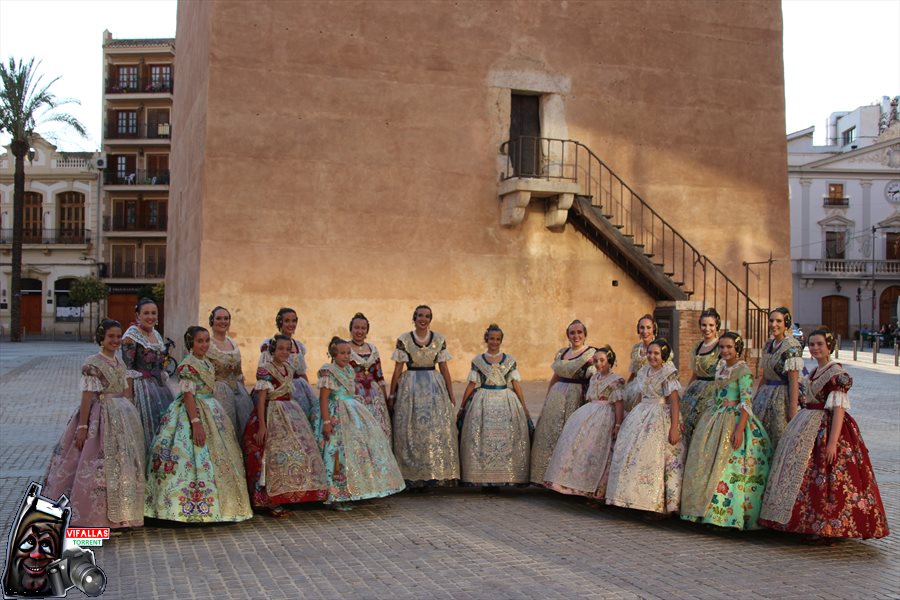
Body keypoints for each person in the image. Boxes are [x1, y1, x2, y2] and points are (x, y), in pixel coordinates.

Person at [759, 329, 889, 541]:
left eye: (820, 344)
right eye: (812, 344)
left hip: (826, 428)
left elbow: (838, 409)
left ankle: (827, 527)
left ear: (829, 346)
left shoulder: (836, 374)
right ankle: (804, 522)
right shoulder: (813, 372)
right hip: (807, 423)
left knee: (828, 478)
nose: (815, 348)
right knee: (805, 476)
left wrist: (832, 442)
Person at [43, 319, 145, 529]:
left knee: (120, 465)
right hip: (99, 417)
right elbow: (87, 396)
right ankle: (92, 518)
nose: (115, 341)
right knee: (92, 464)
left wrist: (130, 414)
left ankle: (122, 514)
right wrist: (82, 427)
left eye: (118, 337)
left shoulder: (120, 362)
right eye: (111, 337)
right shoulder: (93, 364)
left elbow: (125, 390)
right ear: (102, 338)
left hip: (121, 416)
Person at [145, 326, 252, 523]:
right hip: (193, 411)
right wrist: (195, 423)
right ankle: (179, 507)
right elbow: (188, 395)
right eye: (199, 341)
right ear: (190, 343)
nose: (204, 345)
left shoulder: (207, 363)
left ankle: (223, 506)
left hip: (212, 409)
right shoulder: (188, 365)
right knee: (190, 455)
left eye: (206, 341)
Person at [680, 332, 772, 529]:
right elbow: (716, 394)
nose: (725, 351)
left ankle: (726, 516)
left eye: (729, 347)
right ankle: (704, 512)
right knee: (705, 462)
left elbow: (746, 402)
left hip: (734, 419)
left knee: (729, 466)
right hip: (715, 415)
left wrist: (739, 430)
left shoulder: (743, 371)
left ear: (737, 348)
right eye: (722, 347)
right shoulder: (720, 367)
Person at [314, 337, 405, 510]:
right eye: (342, 353)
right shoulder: (328, 372)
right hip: (335, 414)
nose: (346, 356)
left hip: (352, 411)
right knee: (336, 452)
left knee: (356, 451)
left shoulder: (349, 370)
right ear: (333, 354)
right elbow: (324, 398)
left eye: (348, 353)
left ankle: (355, 489)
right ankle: (336, 494)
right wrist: (326, 422)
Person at [244, 335, 328, 517]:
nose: (284, 352)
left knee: (300, 451)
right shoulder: (265, 370)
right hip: (272, 412)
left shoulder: (289, 368)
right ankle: (271, 500)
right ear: (273, 350)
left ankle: (294, 494)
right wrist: (261, 425)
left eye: (288, 349)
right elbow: (261, 399)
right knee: (274, 454)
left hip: (291, 412)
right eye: (280, 348)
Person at [606, 338, 684, 516]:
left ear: (663, 356)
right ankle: (631, 498)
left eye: (656, 353)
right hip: (642, 413)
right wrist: (634, 417)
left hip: (660, 415)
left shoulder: (668, 373)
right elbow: (641, 396)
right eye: (650, 352)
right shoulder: (643, 371)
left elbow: (674, 402)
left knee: (654, 458)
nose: (652, 356)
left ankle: (655, 504)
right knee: (631, 454)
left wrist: (674, 427)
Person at [388, 305, 459, 488]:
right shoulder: (404, 339)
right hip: (410, 388)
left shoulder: (439, 339)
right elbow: (397, 368)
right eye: (420, 315)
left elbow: (444, 368)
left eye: (427, 316)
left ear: (430, 319)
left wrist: (451, 393)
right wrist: (392, 393)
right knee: (409, 431)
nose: (423, 319)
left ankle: (432, 474)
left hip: (434, 387)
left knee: (433, 431)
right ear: (414, 317)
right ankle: (411, 476)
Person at [543, 345, 625, 500]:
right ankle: (575, 486)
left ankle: (598, 491)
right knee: (581, 448)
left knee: (603, 452)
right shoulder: (594, 377)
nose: (599, 364)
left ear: (610, 361)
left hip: (607, 416)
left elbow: (619, 403)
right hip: (589, 414)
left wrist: (618, 424)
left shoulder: (616, 380)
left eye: (602, 360)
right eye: (596, 361)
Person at [457, 324, 531, 488]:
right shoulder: (478, 360)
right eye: (491, 339)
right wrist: (462, 407)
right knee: (483, 438)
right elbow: (471, 384)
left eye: (498, 339)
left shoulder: (509, 360)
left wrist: (524, 407)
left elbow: (515, 384)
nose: (494, 342)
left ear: (501, 340)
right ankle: (485, 478)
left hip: (506, 400)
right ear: (486, 339)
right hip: (483, 400)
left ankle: (502, 477)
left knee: (505, 438)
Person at [529, 320, 596, 484]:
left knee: (571, 436)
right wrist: (547, 398)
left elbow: (595, 378)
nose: (576, 336)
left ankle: (567, 480)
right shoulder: (562, 353)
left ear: (585, 335)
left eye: (579, 332)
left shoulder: (591, 354)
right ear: (568, 335)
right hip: (557, 397)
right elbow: (556, 376)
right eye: (572, 333)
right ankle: (545, 476)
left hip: (578, 396)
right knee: (550, 434)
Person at [121, 298, 175, 449]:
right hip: (141, 389)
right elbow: (127, 370)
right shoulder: (131, 336)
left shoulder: (156, 334)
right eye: (146, 313)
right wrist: (128, 400)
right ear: (138, 315)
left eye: (153, 313)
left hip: (159, 387)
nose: (150, 316)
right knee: (145, 428)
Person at [751, 307, 803, 448]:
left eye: (778, 321)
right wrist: (755, 398)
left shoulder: (791, 345)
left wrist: (792, 411)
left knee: (779, 437)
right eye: (771, 320)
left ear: (786, 323)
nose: (774, 324)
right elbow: (765, 375)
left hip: (782, 398)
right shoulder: (768, 345)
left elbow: (794, 381)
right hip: (765, 396)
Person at [258, 307, 317, 419]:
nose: (291, 324)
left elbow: (302, 372)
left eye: (294, 321)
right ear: (280, 322)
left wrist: (308, 390)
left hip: (300, 389)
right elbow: (265, 370)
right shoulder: (270, 344)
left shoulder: (298, 345)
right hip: (278, 391)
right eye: (287, 321)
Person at [207, 306, 254, 438]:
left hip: (238, 392)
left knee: (242, 427)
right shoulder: (208, 344)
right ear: (212, 321)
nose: (223, 322)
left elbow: (239, 373)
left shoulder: (233, 343)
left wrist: (244, 393)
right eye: (219, 318)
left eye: (226, 318)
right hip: (217, 393)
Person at [348, 312, 392, 440]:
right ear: (351, 329)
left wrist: (385, 400)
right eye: (356, 327)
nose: (359, 331)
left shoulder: (373, 348)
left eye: (363, 328)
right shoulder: (344, 347)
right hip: (354, 394)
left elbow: (379, 376)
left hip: (374, 395)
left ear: (367, 331)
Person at [680, 308, 721, 444]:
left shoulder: (721, 346)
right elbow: (695, 373)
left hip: (713, 392)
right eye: (704, 325)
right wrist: (687, 390)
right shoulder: (698, 346)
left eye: (711, 325)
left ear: (717, 326)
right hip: (695, 390)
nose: (707, 328)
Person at [623, 314, 665, 412]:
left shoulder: (661, 347)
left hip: (653, 388)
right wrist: (625, 387)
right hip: (635, 387)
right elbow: (634, 371)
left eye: (648, 327)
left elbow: (665, 370)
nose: (645, 331)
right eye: (642, 327)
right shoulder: (636, 348)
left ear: (654, 329)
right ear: (638, 329)